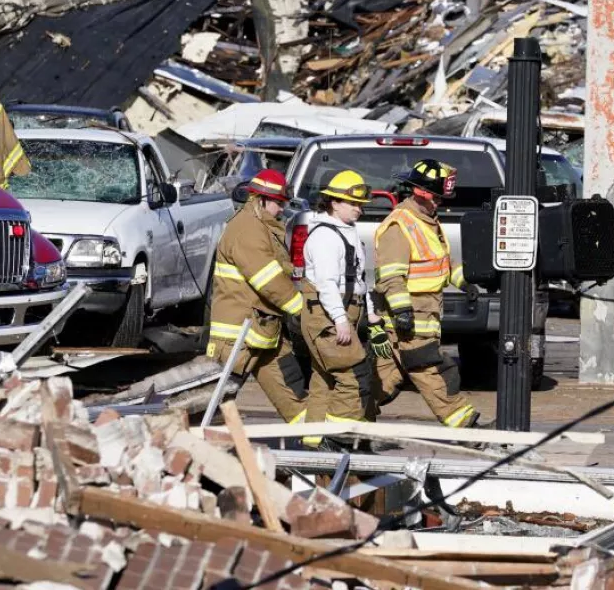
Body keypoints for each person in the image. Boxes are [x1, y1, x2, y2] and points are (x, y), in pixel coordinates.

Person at [372, 158, 486, 429]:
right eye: (437, 197)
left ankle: (346, 419)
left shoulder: (428, 221)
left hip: (426, 316)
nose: (441, 202)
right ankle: (466, 425)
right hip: (410, 319)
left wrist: (464, 283)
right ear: (420, 192)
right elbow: (391, 277)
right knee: (430, 370)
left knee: (384, 378)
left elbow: (441, 264)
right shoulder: (399, 226)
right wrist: (401, 311)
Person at [207, 169, 308, 425]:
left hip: (264, 330)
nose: (282, 210)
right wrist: (301, 310)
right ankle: (193, 449)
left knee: (292, 391)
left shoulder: (261, 225)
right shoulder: (247, 229)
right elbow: (269, 280)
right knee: (213, 402)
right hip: (238, 336)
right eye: (278, 204)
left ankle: (317, 446)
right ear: (260, 199)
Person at [298, 170, 379, 449]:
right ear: (333, 202)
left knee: (324, 380)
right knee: (353, 377)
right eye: (352, 203)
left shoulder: (349, 233)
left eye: (360, 205)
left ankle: (313, 444)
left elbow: (358, 279)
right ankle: (336, 441)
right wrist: (341, 320)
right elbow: (327, 284)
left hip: (343, 312)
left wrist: (369, 312)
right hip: (329, 316)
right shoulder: (325, 237)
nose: (359, 209)